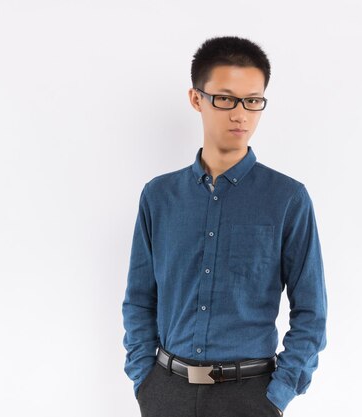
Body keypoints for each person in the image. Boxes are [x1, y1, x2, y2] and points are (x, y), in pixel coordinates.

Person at [122, 35, 327, 417]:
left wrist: (276, 395)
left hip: (249, 397)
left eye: (253, 101)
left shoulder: (287, 199)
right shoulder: (159, 196)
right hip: (166, 393)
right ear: (196, 98)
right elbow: (139, 298)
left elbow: (311, 312)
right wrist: (144, 381)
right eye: (226, 98)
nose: (240, 114)